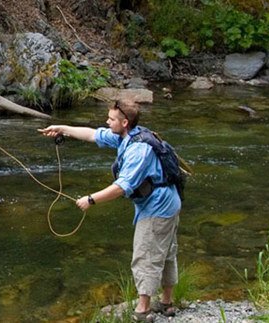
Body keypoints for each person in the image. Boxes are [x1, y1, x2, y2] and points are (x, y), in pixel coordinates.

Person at [38, 100, 181, 322]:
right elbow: (92, 134)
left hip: (158, 208)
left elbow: (122, 187)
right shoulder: (127, 135)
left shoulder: (137, 150)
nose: (107, 121)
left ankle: (143, 311)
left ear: (124, 122)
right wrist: (62, 129)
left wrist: (91, 199)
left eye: (111, 119)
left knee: (146, 255)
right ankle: (166, 302)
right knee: (166, 252)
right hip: (169, 202)